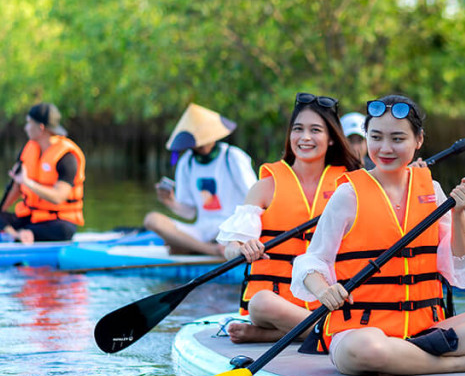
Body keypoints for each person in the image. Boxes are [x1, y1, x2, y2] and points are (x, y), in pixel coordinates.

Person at [290, 94, 465, 376]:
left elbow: (461, 270)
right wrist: (324, 290)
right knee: (364, 351)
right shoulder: (348, 193)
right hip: (364, 333)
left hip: (426, 330)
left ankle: (409, 359)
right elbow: (310, 263)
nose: (385, 148)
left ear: (419, 141)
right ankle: (461, 363)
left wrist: (459, 213)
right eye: (376, 137)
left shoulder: (432, 190)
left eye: (398, 139)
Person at [217, 93, 361, 343]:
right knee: (260, 302)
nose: (305, 137)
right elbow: (230, 248)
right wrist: (242, 249)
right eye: (298, 129)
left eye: (315, 130)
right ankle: (321, 332)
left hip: (331, 301)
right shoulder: (266, 186)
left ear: (331, 140)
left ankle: (279, 334)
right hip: (276, 304)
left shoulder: (352, 184)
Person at [144, 103, 257, 256]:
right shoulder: (187, 163)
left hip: (232, 230)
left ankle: (195, 248)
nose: (201, 145)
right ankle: (210, 250)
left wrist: (239, 235)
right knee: (152, 220)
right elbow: (190, 213)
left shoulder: (232, 156)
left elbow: (255, 200)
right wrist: (170, 201)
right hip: (202, 231)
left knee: (176, 249)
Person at [0, 102, 85, 244]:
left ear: (41, 128)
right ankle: (15, 235)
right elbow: (14, 188)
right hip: (29, 218)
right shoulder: (28, 150)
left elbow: (58, 197)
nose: (25, 128)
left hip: (57, 222)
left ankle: (18, 235)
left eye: (28, 123)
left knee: (63, 230)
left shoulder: (67, 157)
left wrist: (27, 182)